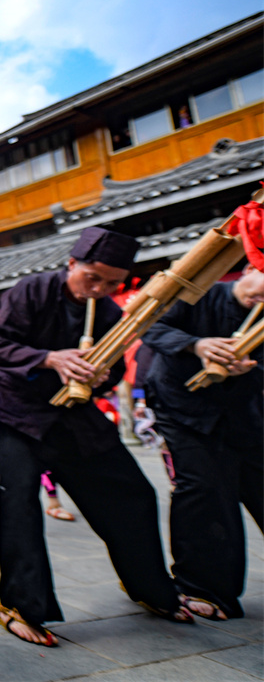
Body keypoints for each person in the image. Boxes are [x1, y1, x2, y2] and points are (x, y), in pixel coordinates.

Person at [0, 226, 192, 648]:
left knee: (133, 492)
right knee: (22, 500)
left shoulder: (107, 312)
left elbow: (117, 369)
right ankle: (19, 606)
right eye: (92, 277)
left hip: (72, 411)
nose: (99, 289)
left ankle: (150, 588)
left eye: (112, 283)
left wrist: (103, 375)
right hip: (19, 408)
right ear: (72, 264)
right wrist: (50, 358)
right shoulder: (31, 290)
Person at [141, 265, 264, 621]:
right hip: (182, 407)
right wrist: (197, 344)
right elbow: (151, 327)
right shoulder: (201, 292)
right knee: (205, 488)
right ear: (248, 268)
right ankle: (201, 586)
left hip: (243, 409)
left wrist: (251, 368)